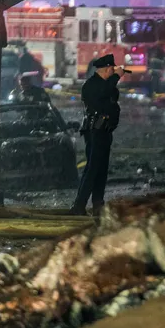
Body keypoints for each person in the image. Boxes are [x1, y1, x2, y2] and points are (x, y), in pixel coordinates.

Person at [70, 54, 123, 216]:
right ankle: (79, 205)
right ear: (107, 69)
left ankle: (98, 204)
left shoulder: (106, 85)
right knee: (93, 168)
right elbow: (103, 93)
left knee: (102, 169)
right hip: (95, 130)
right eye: (111, 70)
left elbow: (112, 97)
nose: (113, 72)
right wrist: (115, 77)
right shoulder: (91, 85)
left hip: (105, 130)